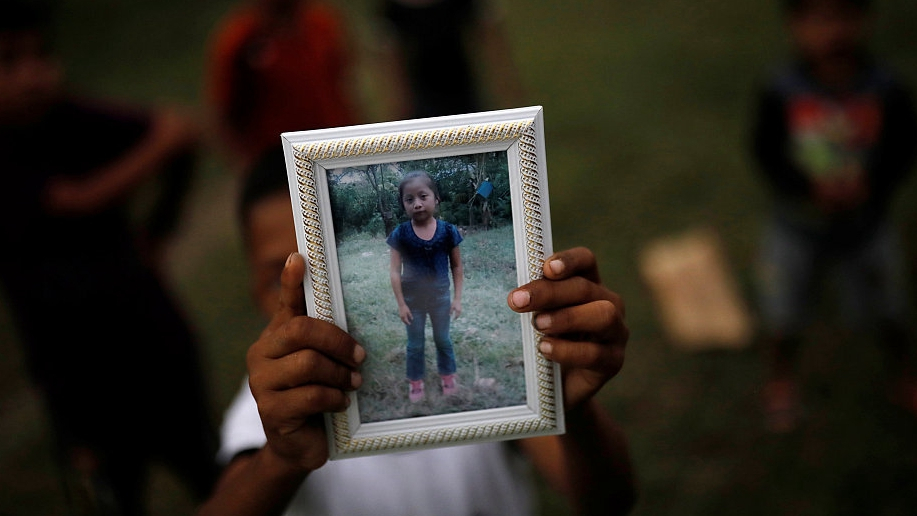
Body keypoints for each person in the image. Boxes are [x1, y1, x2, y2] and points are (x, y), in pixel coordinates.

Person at [196, 147, 637, 516]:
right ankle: (415, 382)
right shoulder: (270, 407)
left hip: (441, 304)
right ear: (256, 292)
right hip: (416, 306)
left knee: (442, 343)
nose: (321, 298)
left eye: (331, 265)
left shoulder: (496, 373)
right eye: (285, 277)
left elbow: (608, 501)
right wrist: (280, 458)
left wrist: (569, 410)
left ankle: (442, 377)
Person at [0, 2, 219, 513]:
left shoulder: (75, 118)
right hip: (75, 372)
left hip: (152, 341)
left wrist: (159, 227)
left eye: (41, 55)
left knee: (212, 475)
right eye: (9, 61)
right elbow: (71, 201)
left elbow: (182, 134)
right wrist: (159, 148)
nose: (32, 74)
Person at [750, 0, 917, 432]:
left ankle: (903, 375)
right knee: (784, 312)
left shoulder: (885, 87)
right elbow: (766, 154)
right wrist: (807, 188)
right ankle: (781, 382)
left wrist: (873, 184)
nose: (834, 32)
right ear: (795, 25)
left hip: (866, 228)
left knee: (890, 307)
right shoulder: (780, 89)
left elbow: (903, 147)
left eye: (845, 16)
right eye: (820, 19)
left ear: (866, 20)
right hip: (797, 228)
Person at [204, 0, 361, 174]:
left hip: (334, 148)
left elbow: (344, 86)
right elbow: (224, 115)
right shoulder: (241, 39)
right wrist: (250, 168)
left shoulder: (322, 24)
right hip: (278, 162)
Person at [374, 0, 526, 120]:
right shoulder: (393, 10)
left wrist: (507, 87)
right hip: (420, 99)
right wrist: (396, 105)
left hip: (465, 91)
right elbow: (391, 61)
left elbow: (492, 41)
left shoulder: (463, 4)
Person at [387, 171, 464, 402]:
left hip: (441, 299)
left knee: (443, 340)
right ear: (403, 204)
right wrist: (401, 304)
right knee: (415, 344)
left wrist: (457, 299)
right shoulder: (400, 234)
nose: (417, 204)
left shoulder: (448, 231)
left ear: (436, 198)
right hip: (413, 302)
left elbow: (457, 266)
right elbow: (394, 271)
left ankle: (448, 376)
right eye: (409, 199)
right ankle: (415, 382)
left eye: (423, 196)